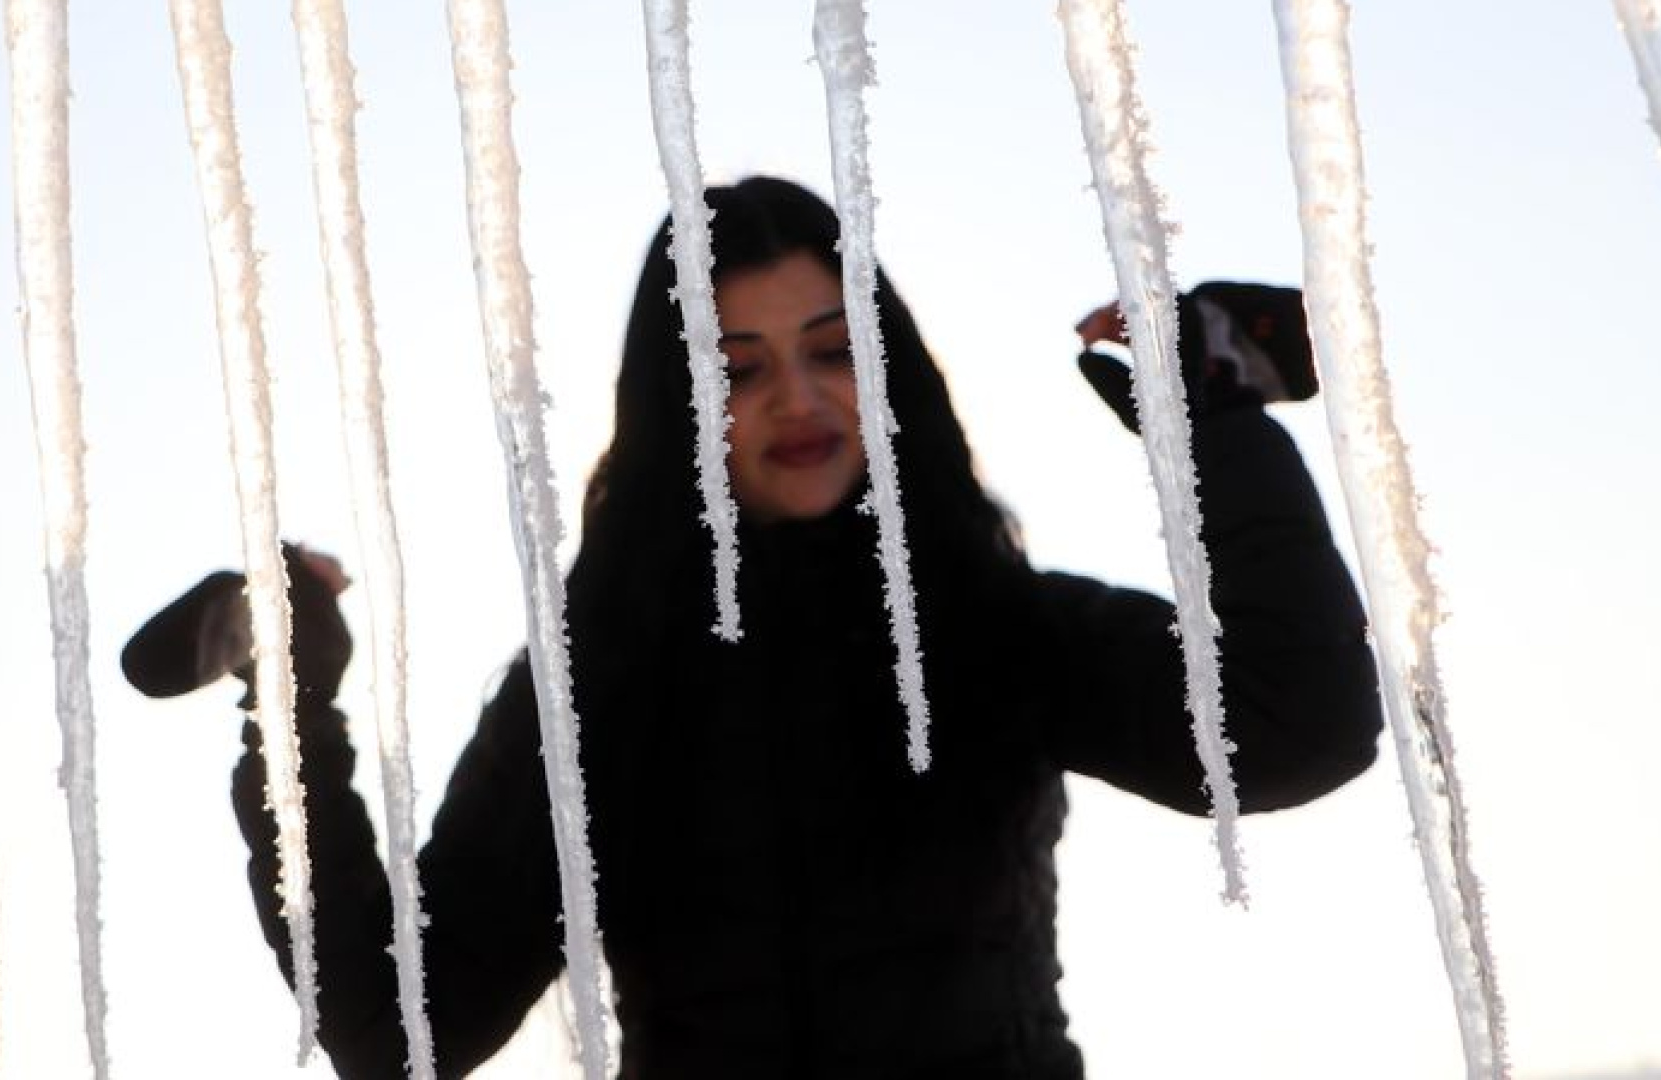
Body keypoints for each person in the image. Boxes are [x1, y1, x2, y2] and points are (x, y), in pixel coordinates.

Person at [124, 176, 1381, 1079]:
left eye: (832, 351)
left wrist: (1215, 421)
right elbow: (403, 1029)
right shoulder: (600, 686)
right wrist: (291, 714)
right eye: (738, 367)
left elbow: (1290, 731)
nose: (798, 397)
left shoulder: (984, 625)